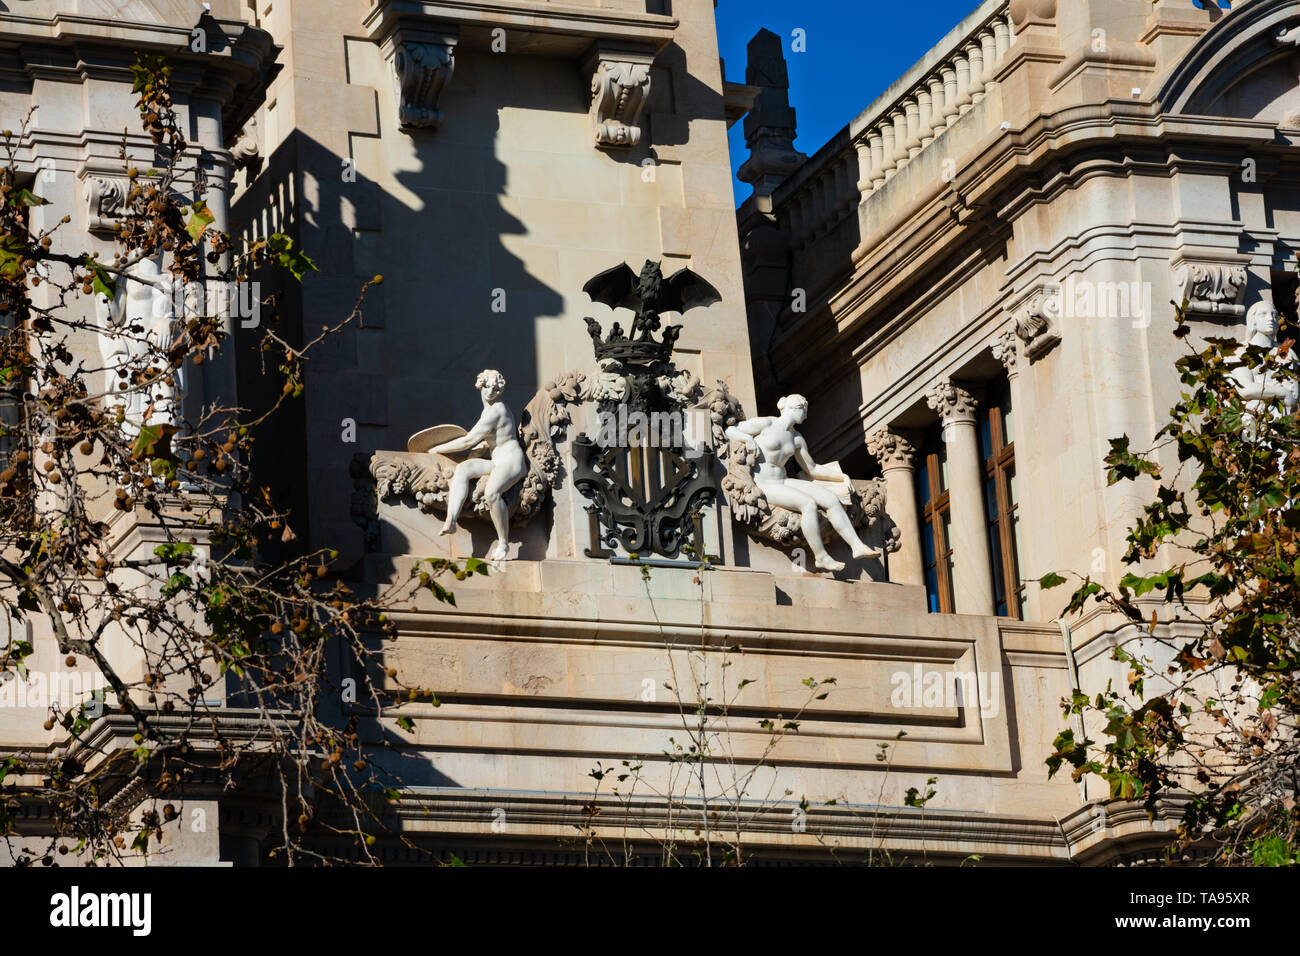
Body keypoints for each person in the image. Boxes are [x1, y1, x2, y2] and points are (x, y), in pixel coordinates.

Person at [725, 393, 881, 572]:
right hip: (764, 483)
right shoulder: (767, 423)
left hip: (782, 480)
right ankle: (821, 557)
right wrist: (748, 439)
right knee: (808, 504)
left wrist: (840, 477)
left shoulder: (797, 438)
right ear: (796, 408)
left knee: (830, 499)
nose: (806, 415)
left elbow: (812, 469)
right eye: (805, 410)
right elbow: (731, 430)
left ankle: (856, 545)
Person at [430, 369, 526, 561]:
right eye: (487, 387)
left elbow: (468, 441)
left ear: (500, 391)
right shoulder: (487, 411)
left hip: (512, 461)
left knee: (492, 493)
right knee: (463, 468)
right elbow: (489, 440)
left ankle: (503, 544)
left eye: (495, 389)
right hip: (497, 461)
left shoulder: (496, 411)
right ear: (480, 386)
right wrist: (482, 448)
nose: (491, 392)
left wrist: (436, 449)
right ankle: (452, 519)